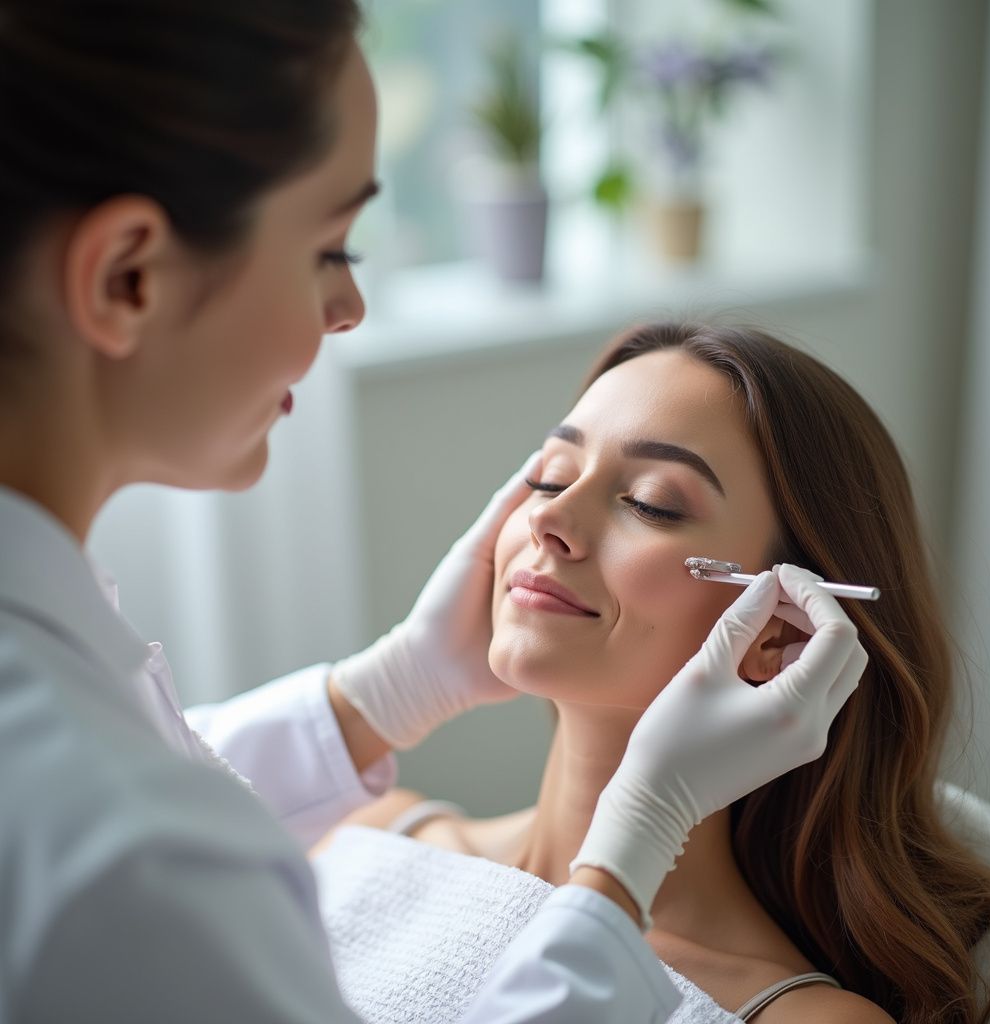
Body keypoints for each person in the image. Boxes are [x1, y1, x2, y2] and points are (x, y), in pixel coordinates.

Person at [0, 4, 868, 1022]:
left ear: (775, 633)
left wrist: (385, 692)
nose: (347, 309)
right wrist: (635, 837)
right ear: (127, 277)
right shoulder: (279, 843)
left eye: (649, 500)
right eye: (328, 246)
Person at [332, 323, 990, 1024]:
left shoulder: (796, 1018)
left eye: (651, 502)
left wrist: (648, 823)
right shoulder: (371, 831)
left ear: (780, 629)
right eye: (550, 475)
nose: (549, 519)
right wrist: (383, 691)